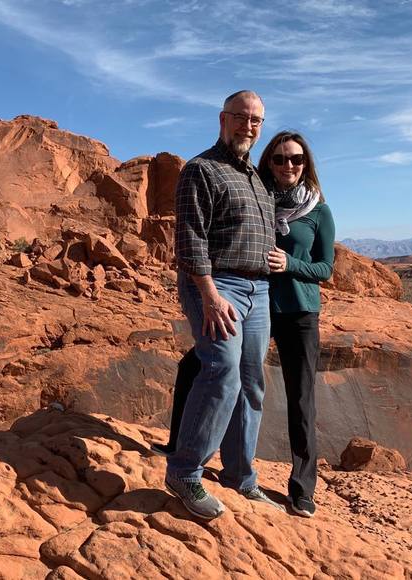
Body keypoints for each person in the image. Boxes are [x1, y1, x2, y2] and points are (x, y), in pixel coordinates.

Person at [154, 130, 335, 519]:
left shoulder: (317, 209)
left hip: (297, 311)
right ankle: (182, 456)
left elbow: (326, 267)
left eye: (296, 159)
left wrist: (291, 264)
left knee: (293, 395)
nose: (288, 165)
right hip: (252, 300)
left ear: (306, 164)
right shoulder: (259, 193)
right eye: (280, 158)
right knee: (208, 367)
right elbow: (198, 235)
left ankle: (300, 488)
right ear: (268, 162)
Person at [164, 90, 276, 520]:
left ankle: (240, 476)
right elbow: (190, 238)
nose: (248, 126)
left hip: (258, 290)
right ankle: (184, 472)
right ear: (223, 119)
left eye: (256, 120)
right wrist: (209, 295)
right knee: (221, 371)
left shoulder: (257, 178)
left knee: (251, 382)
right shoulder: (202, 169)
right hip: (217, 286)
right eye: (241, 117)